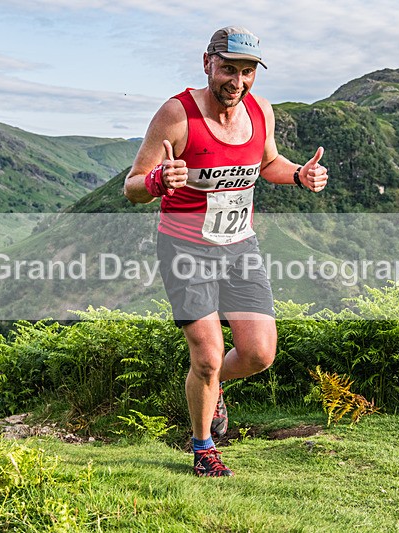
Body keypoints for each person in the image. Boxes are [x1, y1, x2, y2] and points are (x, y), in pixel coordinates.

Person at [124, 26, 328, 477]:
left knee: (259, 354)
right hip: (185, 248)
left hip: (240, 247)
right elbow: (132, 186)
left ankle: (211, 388)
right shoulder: (177, 116)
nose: (238, 81)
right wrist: (158, 182)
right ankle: (203, 447)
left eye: (248, 71)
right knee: (209, 356)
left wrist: (299, 175)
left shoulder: (260, 112)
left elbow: (268, 163)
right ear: (207, 64)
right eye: (228, 69)